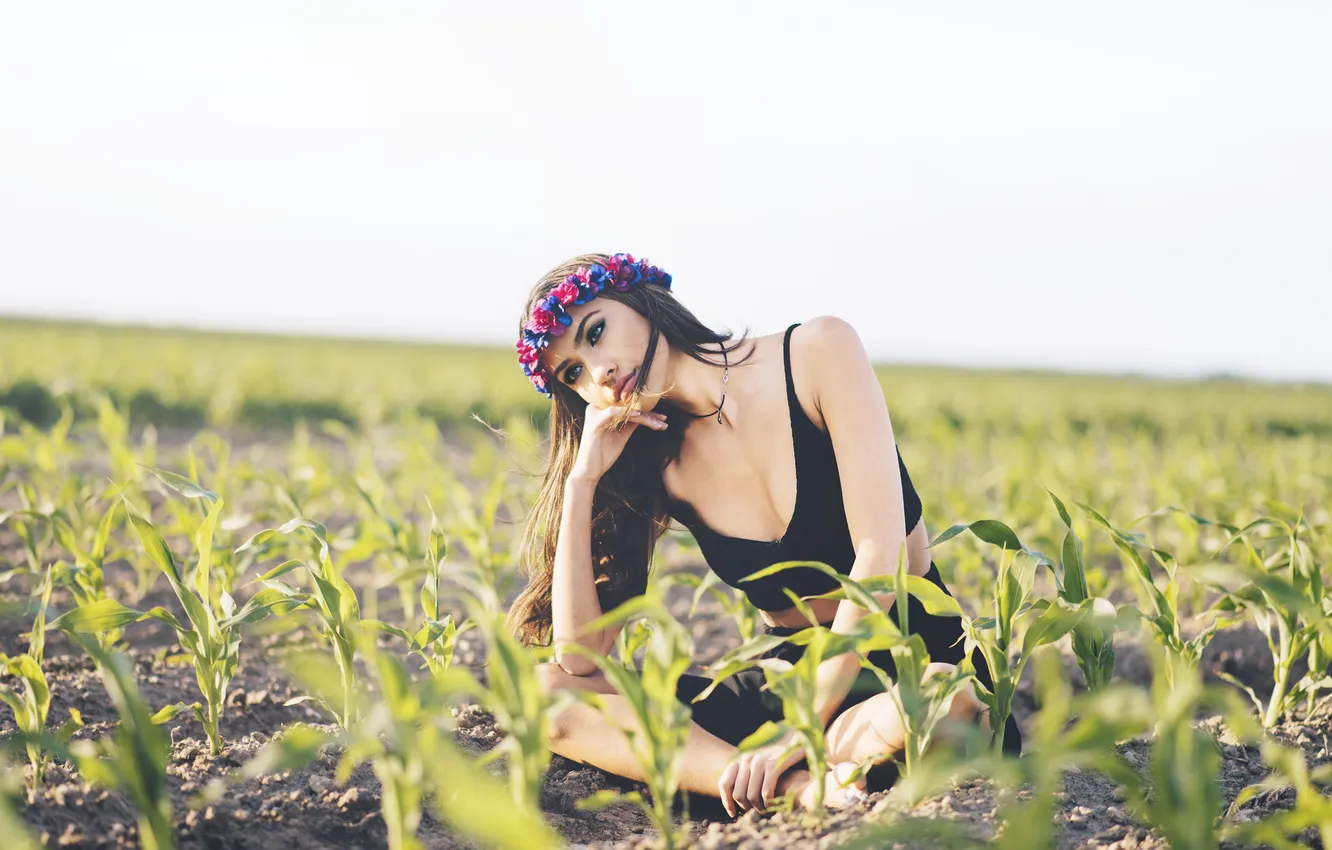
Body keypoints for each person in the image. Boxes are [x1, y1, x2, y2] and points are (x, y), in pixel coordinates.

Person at [506, 252, 1020, 820]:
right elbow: (581, 659)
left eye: (595, 333)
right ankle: (796, 787)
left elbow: (881, 554)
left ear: (640, 299)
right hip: (786, 682)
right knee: (546, 695)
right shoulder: (650, 457)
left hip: (907, 656)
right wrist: (582, 481)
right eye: (572, 374)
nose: (597, 372)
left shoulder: (818, 352)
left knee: (945, 697)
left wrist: (801, 729)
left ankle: (794, 769)